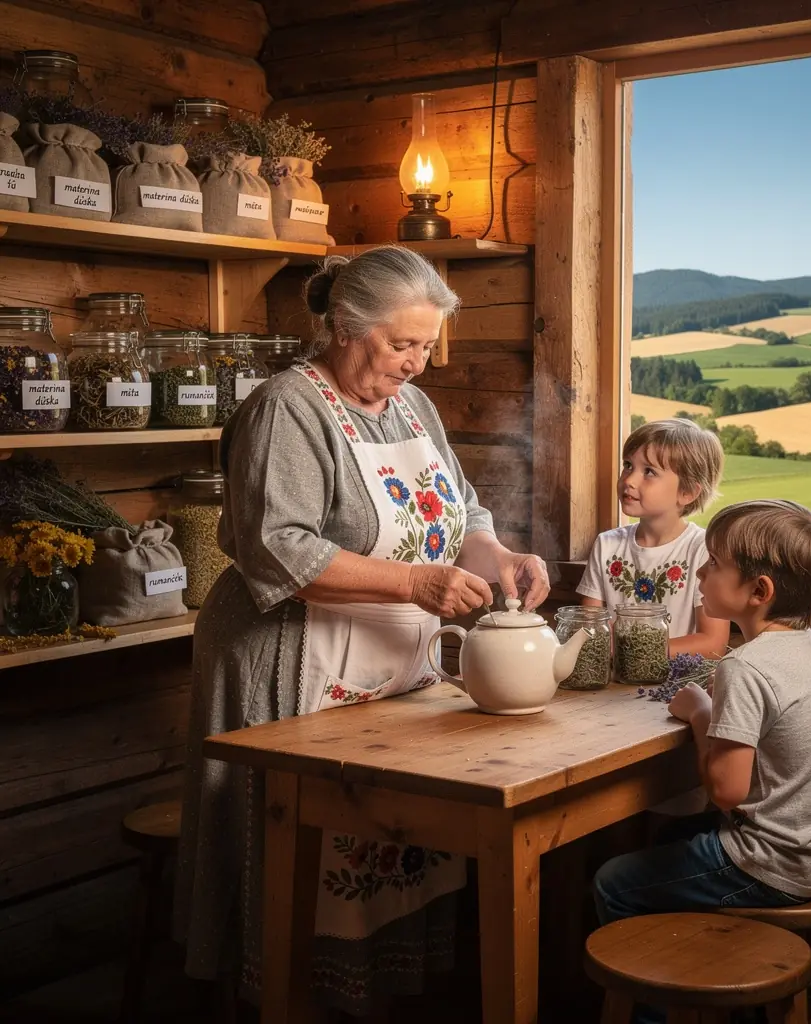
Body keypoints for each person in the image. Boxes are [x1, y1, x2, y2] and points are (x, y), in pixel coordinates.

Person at [173, 246, 550, 1017]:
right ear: (346, 326)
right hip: (291, 658)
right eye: (402, 344)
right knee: (290, 857)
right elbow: (281, 547)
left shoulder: (413, 406)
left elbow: (463, 510)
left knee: (384, 850)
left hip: (388, 666)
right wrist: (417, 581)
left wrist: (500, 554)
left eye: (426, 345)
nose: (417, 362)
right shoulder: (289, 407)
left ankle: (373, 1000)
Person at [593, 499, 811, 1024]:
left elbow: (727, 791)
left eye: (713, 563)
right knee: (669, 842)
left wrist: (699, 711)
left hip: (771, 864)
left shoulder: (746, 665)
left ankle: (661, 1012)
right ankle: (805, 970)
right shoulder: (810, 646)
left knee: (614, 882)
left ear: (759, 592)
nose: (700, 571)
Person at [577, 417, 730, 658]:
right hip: (613, 685)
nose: (629, 480)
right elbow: (589, 630)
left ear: (687, 492)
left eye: (649, 471)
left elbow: (712, 643)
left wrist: (633, 652)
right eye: (628, 465)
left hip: (675, 687)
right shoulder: (606, 545)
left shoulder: (703, 549)